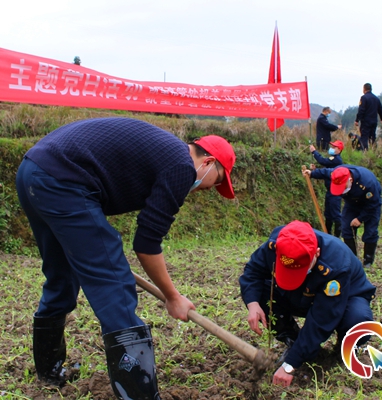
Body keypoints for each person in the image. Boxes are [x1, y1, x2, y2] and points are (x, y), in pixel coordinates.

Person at [15, 117, 236, 399]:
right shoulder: (182, 166)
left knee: (62, 276)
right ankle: (140, 395)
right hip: (63, 181)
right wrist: (172, 297)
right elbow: (146, 244)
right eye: (217, 181)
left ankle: (50, 371)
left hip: (34, 170)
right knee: (115, 284)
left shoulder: (165, 153)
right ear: (208, 162)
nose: (208, 189)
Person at [239, 220, 376, 387]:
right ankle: (293, 341)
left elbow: (322, 318)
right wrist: (253, 303)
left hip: (344, 298)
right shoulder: (278, 244)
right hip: (300, 294)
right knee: (259, 293)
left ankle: (343, 348)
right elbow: (253, 272)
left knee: (358, 321)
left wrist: (290, 365)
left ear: (316, 253)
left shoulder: (335, 265)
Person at [304, 165, 382, 268]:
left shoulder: (368, 183)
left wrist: (360, 219)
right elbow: (326, 172)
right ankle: (352, 259)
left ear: (350, 180)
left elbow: (374, 204)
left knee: (370, 232)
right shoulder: (337, 173)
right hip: (352, 204)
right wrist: (312, 173)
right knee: (346, 228)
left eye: (343, 187)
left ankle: (368, 260)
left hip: (370, 204)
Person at [309, 140, 344, 237]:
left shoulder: (337, 160)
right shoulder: (333, 160)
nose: (331, 149)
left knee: (335, 214)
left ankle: (337, 236)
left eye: (334, 147)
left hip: (335, 192)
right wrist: (316, 170)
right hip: (330, 191)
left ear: (339, 150)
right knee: (328, 214)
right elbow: (326, 172)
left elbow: (323, 161)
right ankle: (328, 235)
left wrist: (314, 152)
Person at [354, 83, 382, 151]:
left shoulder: (364, 98)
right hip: (374, 121)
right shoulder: (376, 98)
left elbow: (361, 110)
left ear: (364, 89)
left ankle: (365, 151)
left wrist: (357, 120)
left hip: (366, 121)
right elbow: (380, 109)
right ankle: (374, 151)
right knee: (372, 137)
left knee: (364, 137)